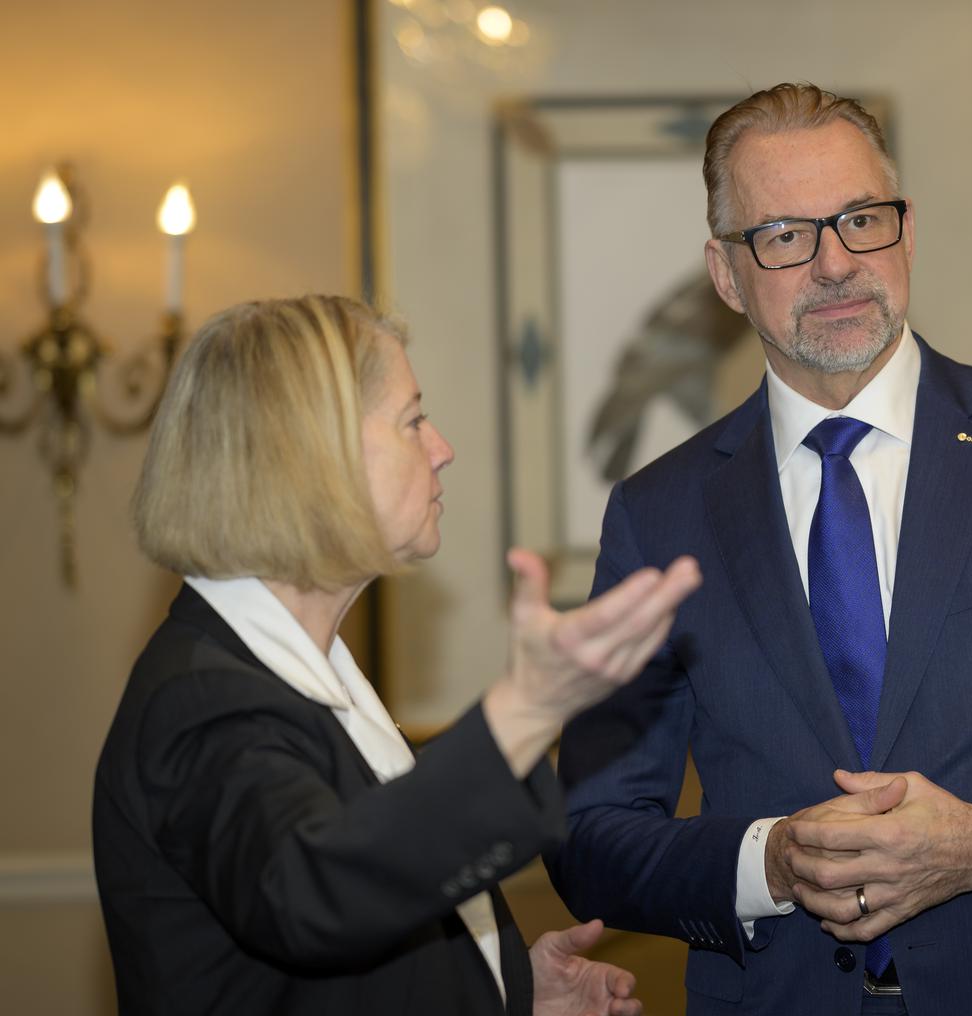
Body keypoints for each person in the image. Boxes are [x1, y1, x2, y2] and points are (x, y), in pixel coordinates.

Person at [547, 84, 972, 1015]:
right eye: (786, 236)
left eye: (861, 220)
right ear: (726, 274)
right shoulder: (658, 512)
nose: (836, 263)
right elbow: (591, 836)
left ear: (906, 232)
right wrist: (772, 864)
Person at [93, 295, 702, 1015]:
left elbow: (358, 930)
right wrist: (526, 708)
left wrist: (505, 989)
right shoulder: (202, 699)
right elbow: (315, 895)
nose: (441, 447)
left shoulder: (304, 674)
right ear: (314, 457)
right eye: (412, 420)